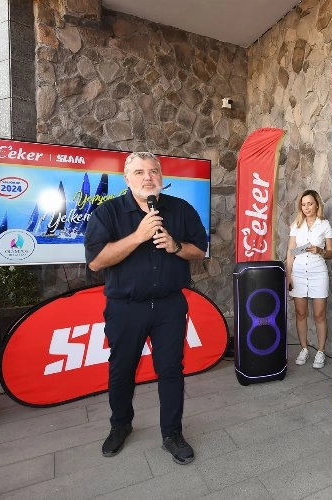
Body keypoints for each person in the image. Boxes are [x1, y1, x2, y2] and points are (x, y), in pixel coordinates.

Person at [84, 151, 207, 465]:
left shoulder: (181, 209)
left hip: (169, 306)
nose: (148, 178)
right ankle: (120, 425)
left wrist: (176, 247)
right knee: (122, 369)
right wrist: (138, 236)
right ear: (127, 179)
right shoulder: (108, 213)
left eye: (153, 171)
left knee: (171, 370)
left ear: (161, 177)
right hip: (125, 308)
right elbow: (96, 261)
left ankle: (172, 434)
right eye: (139, 172)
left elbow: (200, 249)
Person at [286, 189, 332, 368]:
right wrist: (288, 275)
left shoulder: (324, 225)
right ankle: (304, 348)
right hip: (298, 273)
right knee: (300, 313)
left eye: (310, 204)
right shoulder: (296, 225)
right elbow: (291, 252)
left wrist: (320, 250)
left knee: (319, 314)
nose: (306, 207)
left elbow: (331, 252)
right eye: (303, 204)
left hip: (318, 273)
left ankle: (320, 351)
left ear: (316, 205)